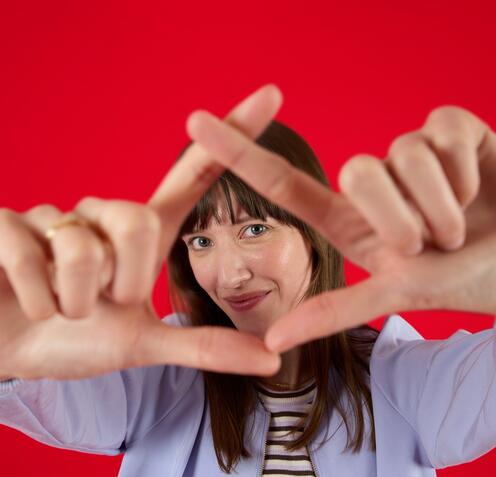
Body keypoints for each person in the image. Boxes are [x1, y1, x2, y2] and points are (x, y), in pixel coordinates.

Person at [0, 84, 495, 477]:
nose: (231, 275)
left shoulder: (408, 383)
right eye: (201, 241)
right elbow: (44, 390)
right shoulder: (153, 380)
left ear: (314, 236)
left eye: (254, 229)